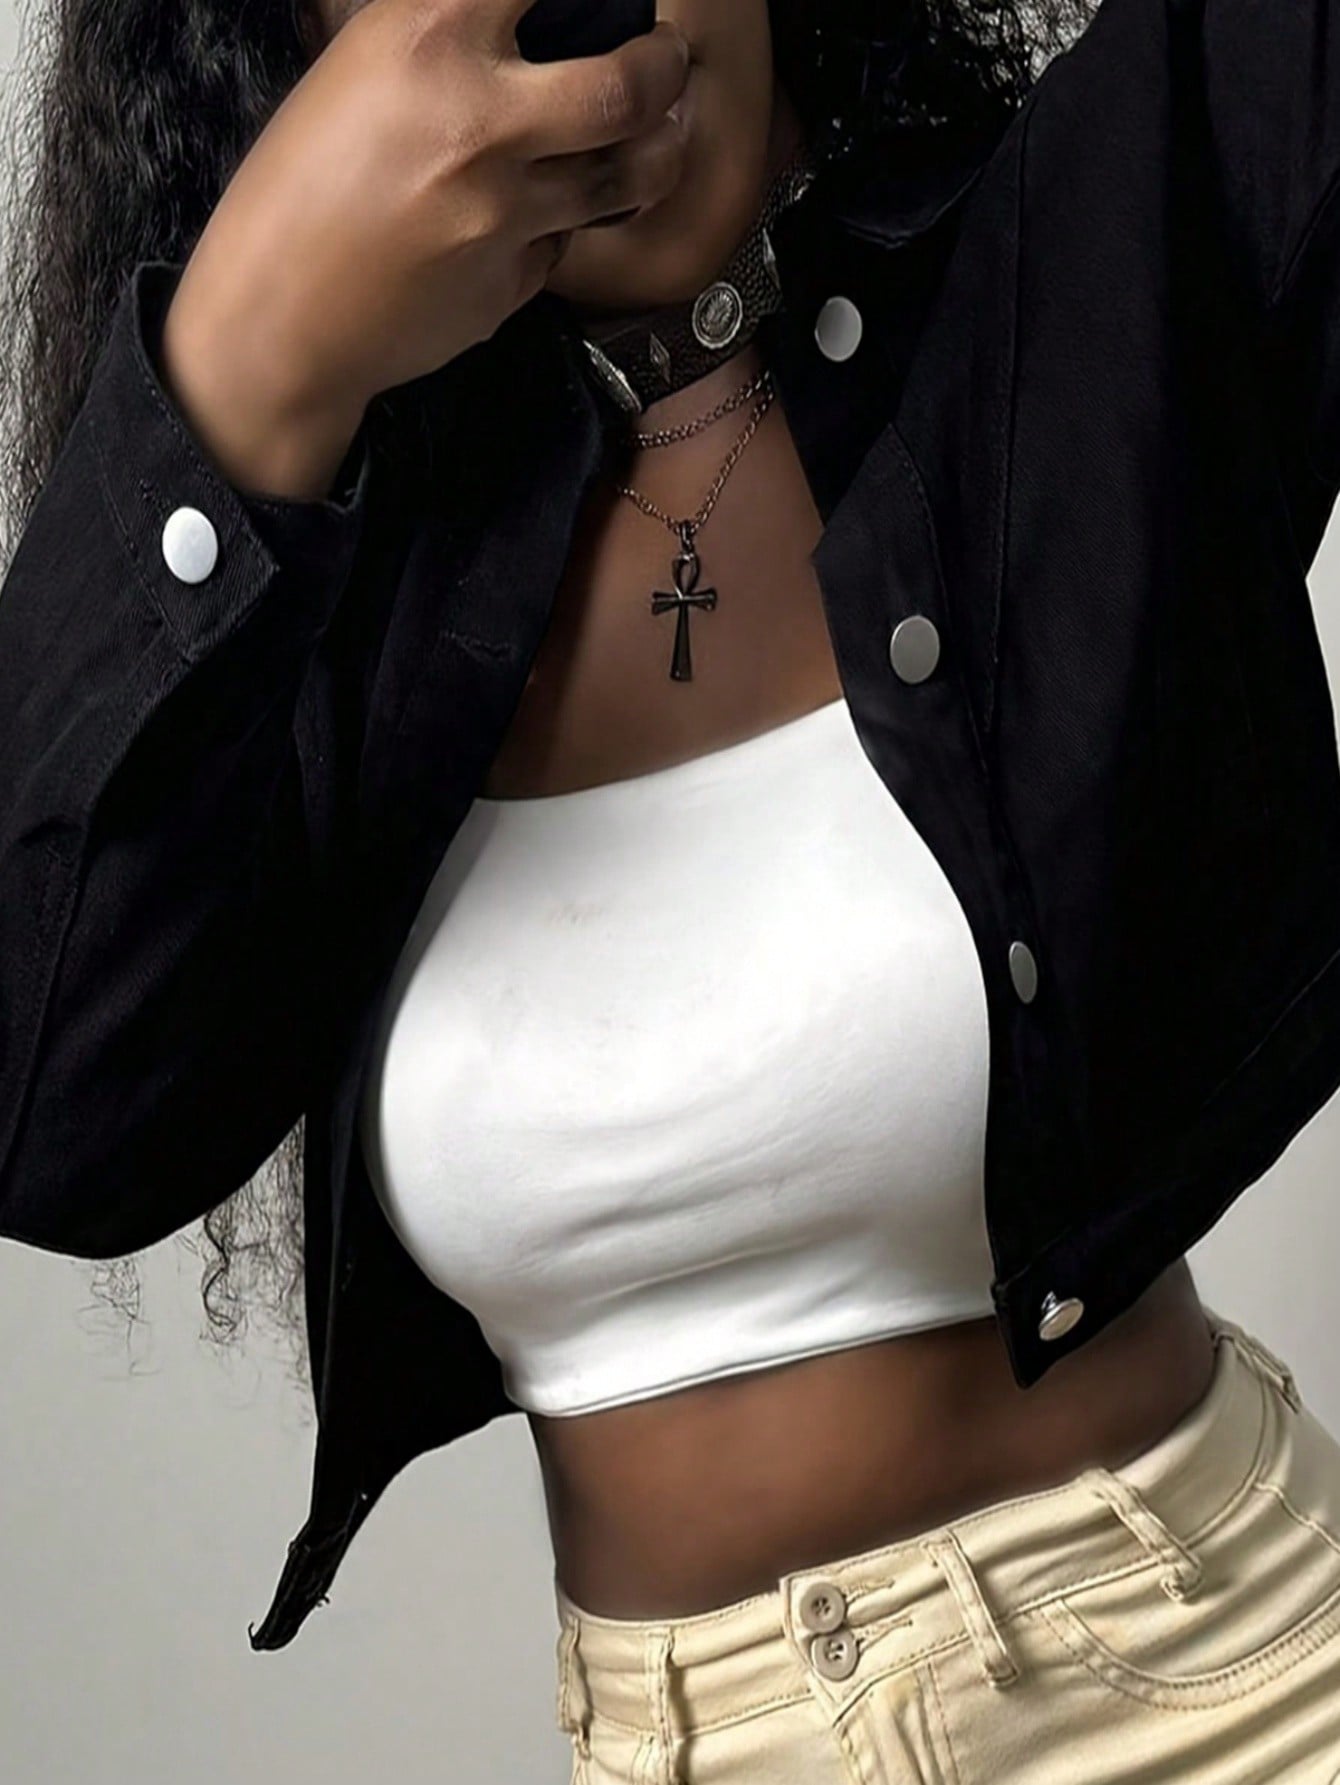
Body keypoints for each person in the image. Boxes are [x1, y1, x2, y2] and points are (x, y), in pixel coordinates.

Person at [3, 0, 1340, 1776]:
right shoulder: (324, 568)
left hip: (1239, 1686)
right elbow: (50, 1117)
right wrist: (252, 356)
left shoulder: (1076, 258)